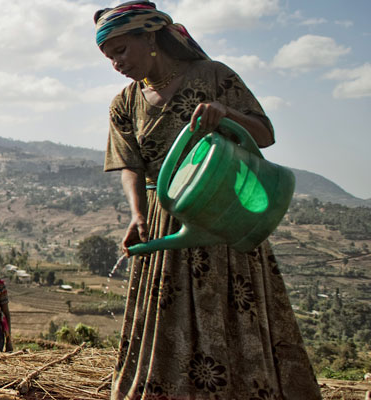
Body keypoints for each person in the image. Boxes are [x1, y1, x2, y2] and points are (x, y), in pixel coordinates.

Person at [94, 2, 321, 398]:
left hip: (225, 215)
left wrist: (226, 113)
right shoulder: (124, 104)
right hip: (170, 222)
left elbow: (264, 133)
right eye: (110, 57)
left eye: (121, 51)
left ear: (149, 37)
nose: (116, 63)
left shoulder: (214, 75)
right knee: (168, 317)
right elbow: (130, 164)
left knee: (234, 306)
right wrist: (138, 215)